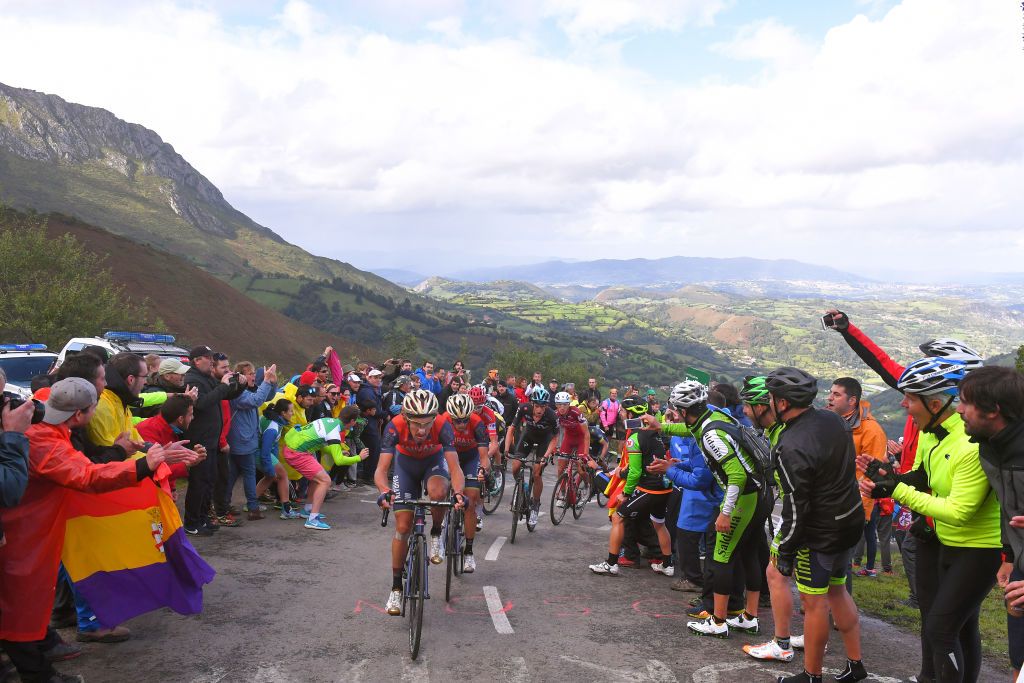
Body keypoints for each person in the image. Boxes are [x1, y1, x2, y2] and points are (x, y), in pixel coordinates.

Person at [0, 378, 197, 683]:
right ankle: (38, 673)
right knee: (21, 602)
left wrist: (129, 451)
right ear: (79, 414)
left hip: (32, 529)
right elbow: (87, 475)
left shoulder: (42, 413)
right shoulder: (44, 440)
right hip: (23, 533)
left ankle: (39, 654)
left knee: (25, 600)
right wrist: (144, 465)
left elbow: (87, 462)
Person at [860, 357, 999, 683]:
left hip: (980, 548)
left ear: (935, 403)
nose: (903, 405)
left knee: (940, 629)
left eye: (910, 398)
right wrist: (887, 481)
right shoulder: (932, 433)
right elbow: (923, 477)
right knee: (954, 628)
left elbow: (959, 511)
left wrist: (898, 491)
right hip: (949, 543)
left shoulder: (969, 445)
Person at [765, 367, 867, 683]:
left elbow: (796, 507)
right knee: (837, 591)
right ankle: (855, 664)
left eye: (770, 398)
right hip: (850, 520)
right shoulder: (833, 419)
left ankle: (812, 675)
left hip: (820, 532)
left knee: (814, 603)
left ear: (782, 403)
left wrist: (785, 550)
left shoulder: (790, 444)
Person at [653, 381, 769, 639]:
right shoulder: (712, 415)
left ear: (683, 410)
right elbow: (691, 428)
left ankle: (717, 621)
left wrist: (725, 513)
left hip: (743, 497)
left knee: (721, 557)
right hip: (760, 494)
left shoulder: (710, 434)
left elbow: (736, 476)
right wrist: (662, 426)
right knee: (748, 554)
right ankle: (749, 617)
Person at [957, 366, 1024, 681]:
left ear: (993, 410)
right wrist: (1008, 555)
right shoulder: (988, 448)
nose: (959, 411)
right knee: (1019, 655)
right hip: (1021, 568)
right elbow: (1007, 505)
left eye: (965, 403)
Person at [375, 390, 465, 615]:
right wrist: (384, 491)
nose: (422, 430)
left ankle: (436, 532)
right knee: (403, 527)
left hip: (432, 463)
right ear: (406, 418)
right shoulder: (394, 426)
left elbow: (454, 467)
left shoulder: (443, 425)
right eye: (416, 424)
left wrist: (459, 493)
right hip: (405, 466)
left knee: (438, 492)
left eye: (427, 423)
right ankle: (396, 588)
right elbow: (381, 469)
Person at [737, 376, 808, 662]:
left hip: (798, 514)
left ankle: (782, 643)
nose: (743, 411)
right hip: (809, 514)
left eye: (747, 405)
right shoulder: (783, 429)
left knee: (777, 574)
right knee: (815, 585)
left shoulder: (784, 434)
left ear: (762, 406)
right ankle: (812, 635)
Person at [589, 396, 672, 576]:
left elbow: (634, 472)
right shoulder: (655, 433)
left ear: (631, 413)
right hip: (665, 487)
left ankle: (611, 563)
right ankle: (667, 564)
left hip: (649, 488)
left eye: (623, 411)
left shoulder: (634, 438)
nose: (621, 414)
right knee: (659, 524)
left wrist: (625, 494)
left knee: (619, 517)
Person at [826, 377, 888, 577]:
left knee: (839, 567)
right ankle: (818, 603)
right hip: (828, 500)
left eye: (836, 394)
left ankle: (834, 606)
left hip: (850, 506)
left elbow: (871, 476)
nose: (830, 398)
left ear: (852, 401)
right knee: (825, 560)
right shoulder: (831, 420)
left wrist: (860, 512)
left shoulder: (871, 431)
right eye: (830, 393)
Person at [182, 346, 245, 536]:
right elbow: (201, 403)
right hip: (200, 438)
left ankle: (203, 518)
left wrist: (239, 385)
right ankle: (192, 522)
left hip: (211, 439)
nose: (211, 361)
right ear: (196, 360)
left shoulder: (207, 377)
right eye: (207, 358)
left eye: (211, 358)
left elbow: (223, 395)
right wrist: (223, 386)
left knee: (209, 481)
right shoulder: (193, 378)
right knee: (199, 482)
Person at [283, 415, 369, 530]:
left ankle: (308, 509)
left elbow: (322, 447)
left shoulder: (330, 422)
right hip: (297, 452)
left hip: (297, 450)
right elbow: (339, 461)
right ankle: (312, 520)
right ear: (352, 421)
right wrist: (359, 457)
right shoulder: (334, 431)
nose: (356, 425)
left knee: (318, 478)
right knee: (325, 480)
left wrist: (337, 451)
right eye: (355, 422)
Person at [443, 394, 489, 572]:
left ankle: (469, 552)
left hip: (470, 458)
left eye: (464, 420)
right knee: (439, 487)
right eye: (457, 420)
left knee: (470, 500)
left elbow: (484, 457)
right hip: (449, 455)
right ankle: (440, 529)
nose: (461, 424)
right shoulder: (443, 421)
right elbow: (435, 450)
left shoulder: (477, 423)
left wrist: (483, 470)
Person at [226, 363, 277, 521]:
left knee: (232, 474)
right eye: (249, 374)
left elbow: (266, 396)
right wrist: (267, 381)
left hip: (241, 440)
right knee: (249, 473)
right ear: (239, 375)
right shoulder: (237, 393)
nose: (253, 376)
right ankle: (253, 508)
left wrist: (272, 382)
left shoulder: (245, 390)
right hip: (243, 441)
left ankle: (223, 504)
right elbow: (256, 400)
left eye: (254, 373)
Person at [504, 388, 559, 527]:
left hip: (544, 440)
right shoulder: (524, 408)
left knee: (537, 472)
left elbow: (555, 438)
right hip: (528, 436)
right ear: (532, 404)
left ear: (546, 406)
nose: (539, 409)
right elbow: (511, 428)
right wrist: (506, 449)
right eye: (537, 406)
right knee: (516, 465)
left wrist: (545, 456)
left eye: (543, 406)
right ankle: (522, 487)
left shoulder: (552, 416)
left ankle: (535, 504)